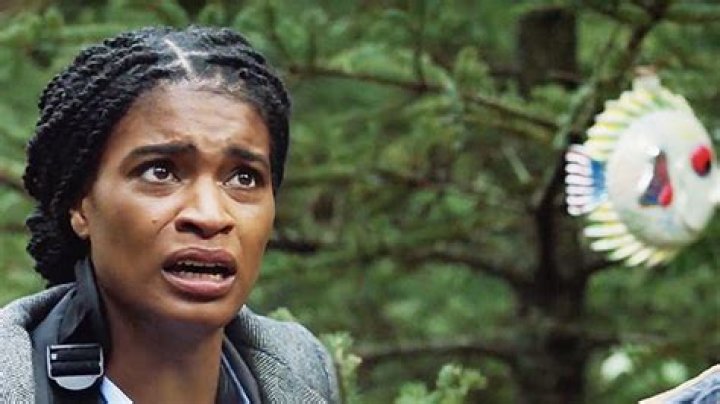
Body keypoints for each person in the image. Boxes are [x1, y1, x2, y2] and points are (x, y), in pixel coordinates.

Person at [0, 26, 339, 403]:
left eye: (244, 178)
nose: (210, 216)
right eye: (159, 172)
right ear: (80, 205)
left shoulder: (300, 372)